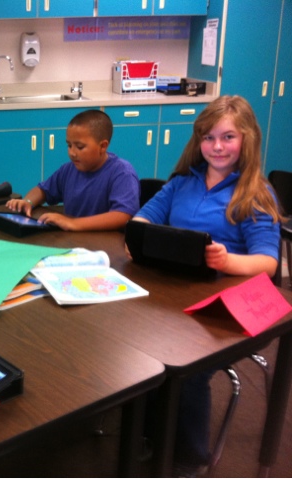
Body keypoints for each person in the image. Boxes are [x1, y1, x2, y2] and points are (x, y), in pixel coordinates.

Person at [129, 95, 281, 476]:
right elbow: (142, 220)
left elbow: (268, 262)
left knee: (187, 366)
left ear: (247, 140)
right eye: (208, 137)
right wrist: (142, 238)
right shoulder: (183, 182)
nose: (217, 147)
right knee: (136, 342)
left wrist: (228, 262)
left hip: (228, 304)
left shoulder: (255, 193)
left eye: (228, 137)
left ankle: (188, 456)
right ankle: (148, 434)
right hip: (178, 293)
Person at [6, 109, 140, 231]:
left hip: (106, 244)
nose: (72, 153)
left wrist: (74, 223)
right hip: (74, 241)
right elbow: (43, 190)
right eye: (69, 145)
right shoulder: (69, 169)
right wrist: (28, 202)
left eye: (80, 147)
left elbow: (123, 215)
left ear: (103, 146)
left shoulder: (122, 173)